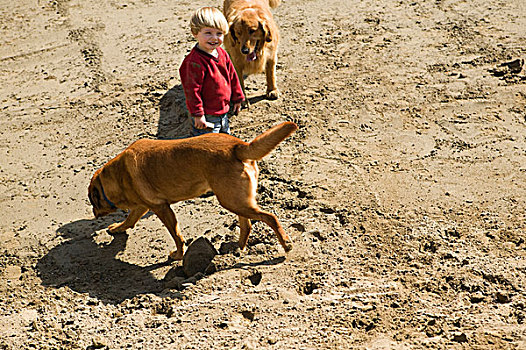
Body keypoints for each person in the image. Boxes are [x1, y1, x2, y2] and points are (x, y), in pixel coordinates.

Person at [179, 7, 245, 136]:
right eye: (208, 33)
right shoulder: (194, 63)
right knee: (207, 145)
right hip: (206, 115)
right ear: (195, 33)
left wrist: (237, 98)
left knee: (225, 140)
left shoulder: (222, 53)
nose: (214, 38)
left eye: (219, 34)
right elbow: (192, 91)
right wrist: (198, 115)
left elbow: (232, 76)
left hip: (223, 110)